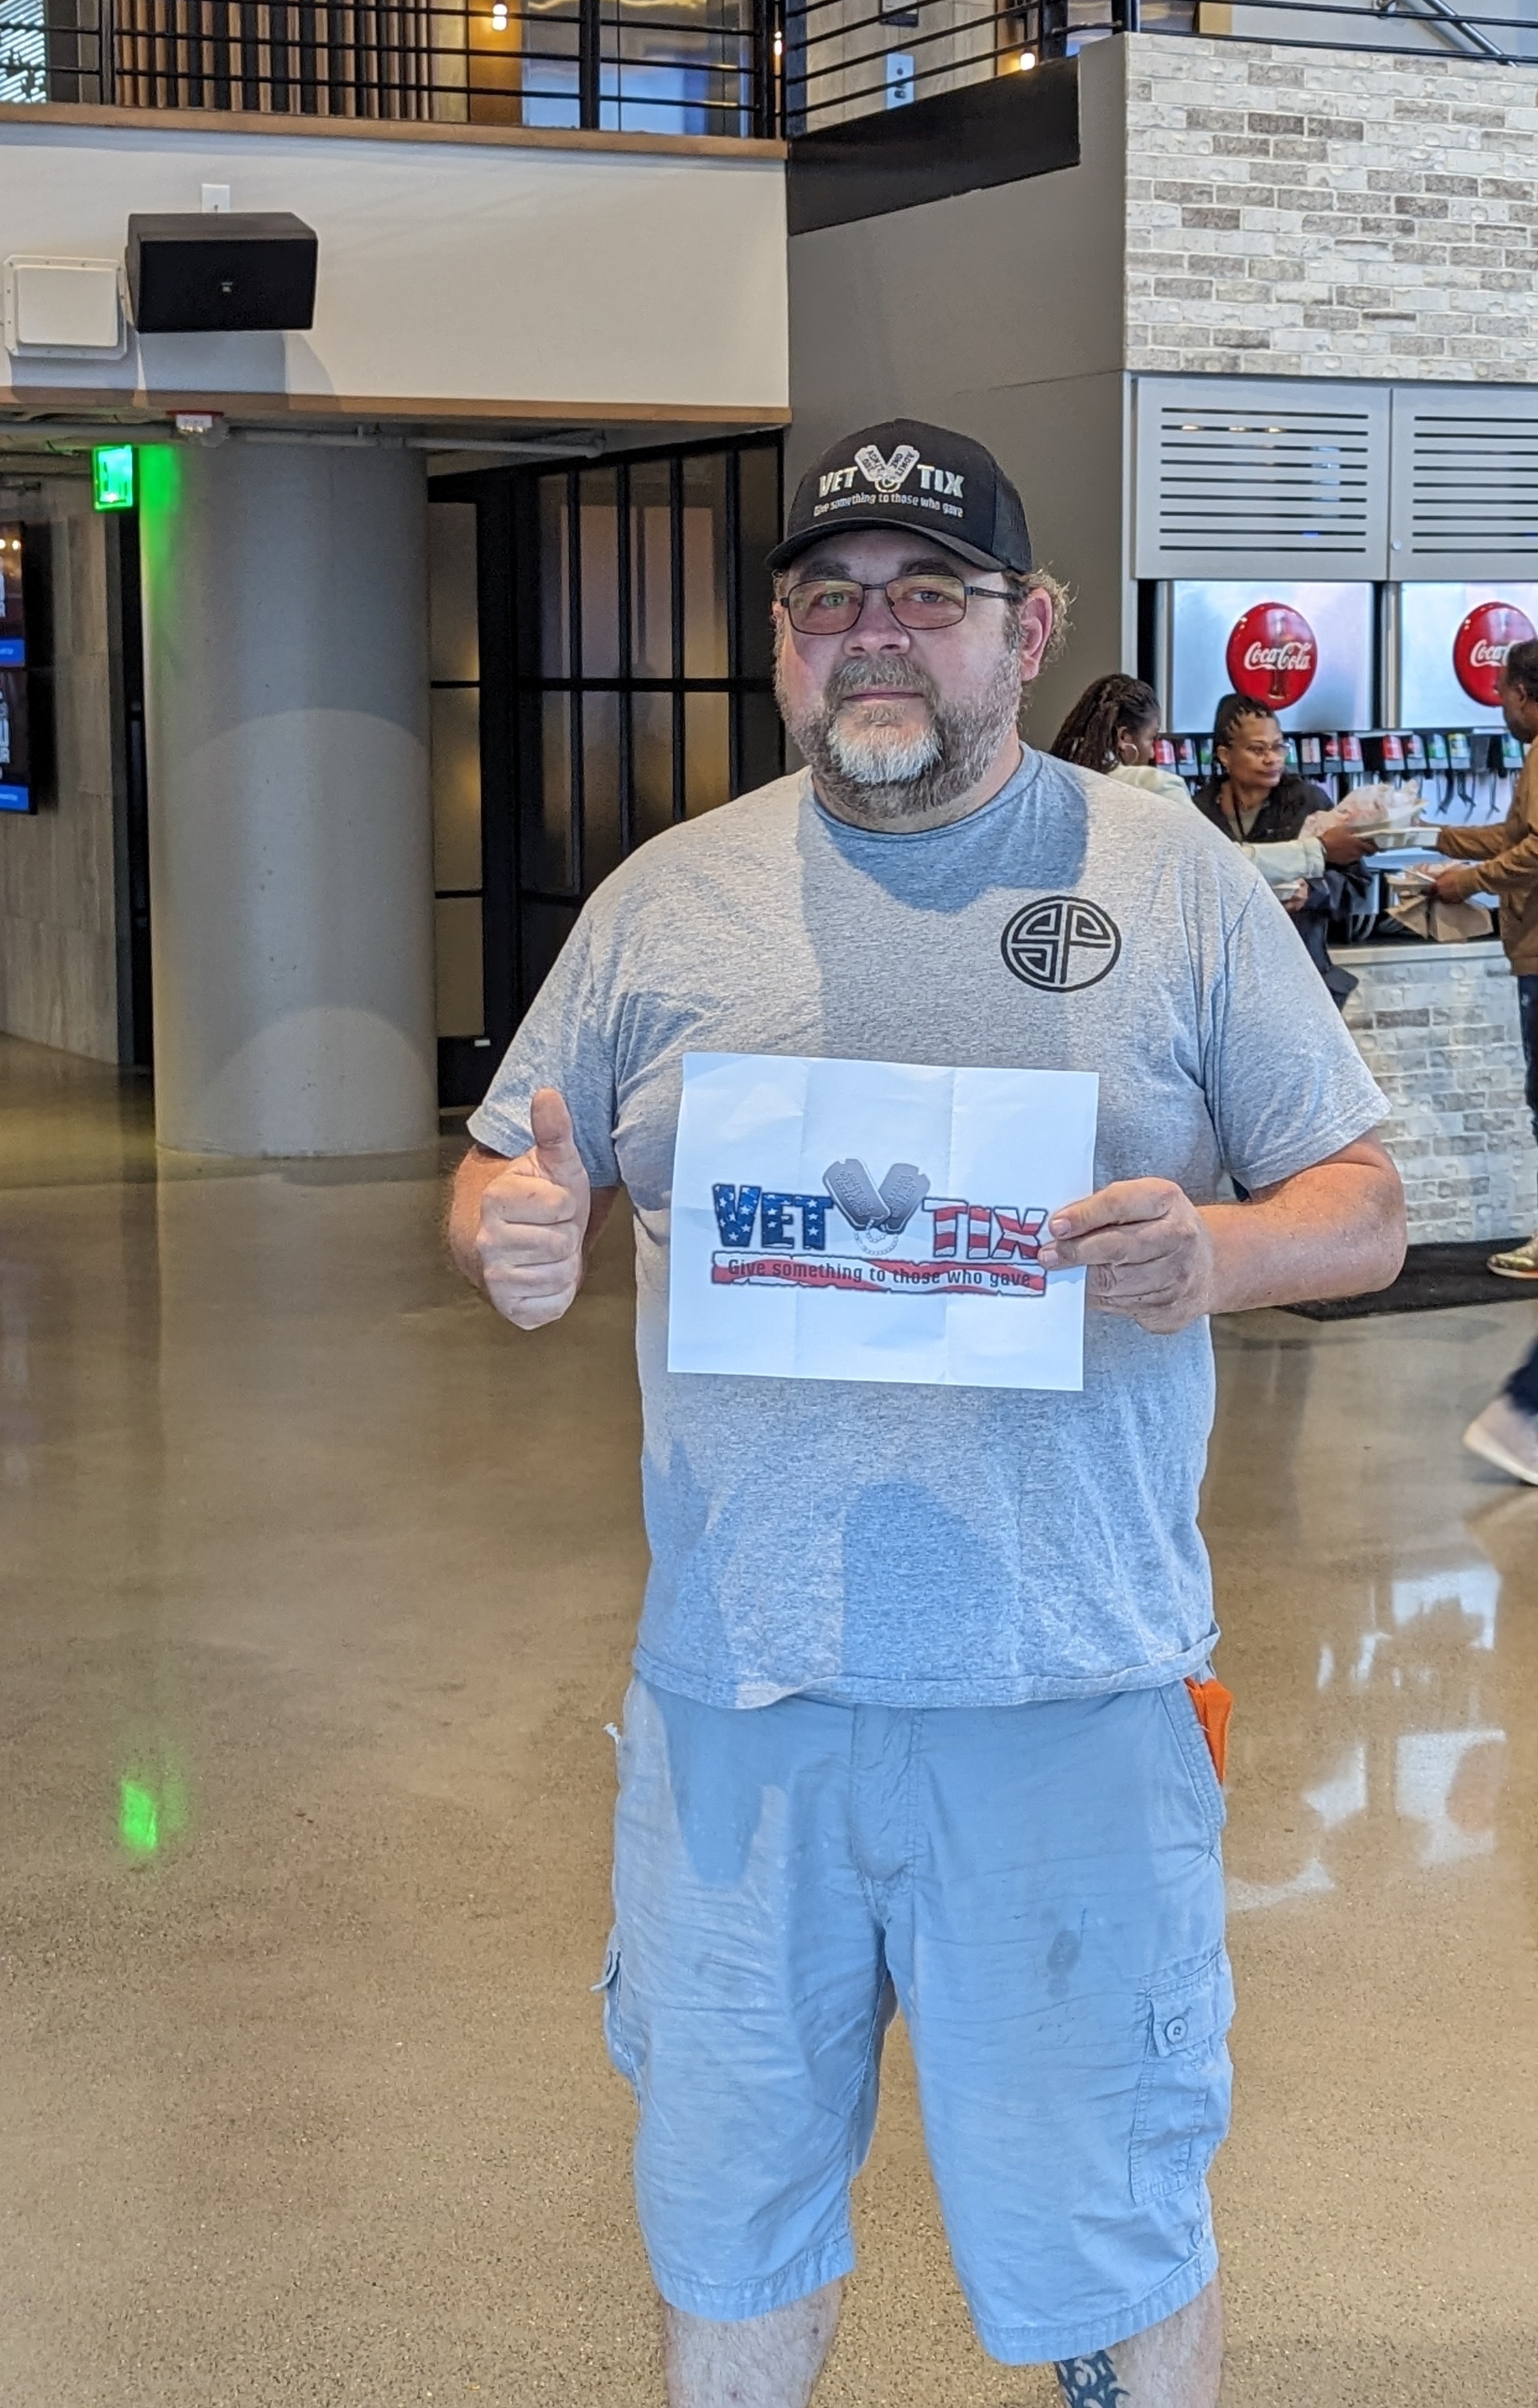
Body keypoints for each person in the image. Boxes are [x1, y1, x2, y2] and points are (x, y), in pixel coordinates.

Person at [448, 417, 1404, 2408]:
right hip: (739, 1705)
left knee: (1111, 2245)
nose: (872, 635)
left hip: (1071, 1695)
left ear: (1028, 628)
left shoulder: (1173, 879)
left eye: (929, 595)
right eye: (827, 599)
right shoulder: (666, 902)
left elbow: (1368, 1207)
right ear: (780, 642)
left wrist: (1219, 1252)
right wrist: (508, 1232)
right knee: (731, 2238)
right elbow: (513, 1170)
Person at [1431, 636, 1538, 1289]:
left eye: (1504, 692)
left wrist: (1469, 882)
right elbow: (1516, 837)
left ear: (1524, 696)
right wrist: (1429, 834)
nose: (1501, 703)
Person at [1193, 694, 1375, 1008]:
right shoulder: (1200, 811)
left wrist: (1312, 893)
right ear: (1224, 755)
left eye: (1278, 747)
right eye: (1258, 749)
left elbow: (1358, 886)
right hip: (1226, 983)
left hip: (1299, 978)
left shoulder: (1309, 803)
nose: (1272, 759)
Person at [1051, 672, 1191, 802]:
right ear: (1124, 738)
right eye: (1151, 738)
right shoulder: (1162, 788)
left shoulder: (1052, 778)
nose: (1152, 753)